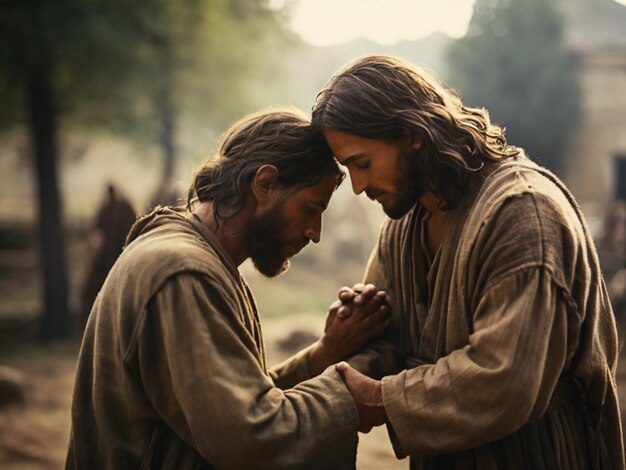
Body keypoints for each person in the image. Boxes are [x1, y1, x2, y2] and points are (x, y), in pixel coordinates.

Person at [311, 55, 625, 469]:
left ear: (412, 134)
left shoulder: (523, 215)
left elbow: (505, 380)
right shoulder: (407, 221)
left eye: (363, 163)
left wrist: (381, 398)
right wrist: (342, 350)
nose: (358, 186)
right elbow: (386, 338)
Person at [66, 108, 390, 469]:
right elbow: (252, 438)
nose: (315, 233)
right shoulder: (185, 274)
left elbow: (235, 401)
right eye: (310, 209)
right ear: (265, 184)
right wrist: (350, 399)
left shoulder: (197, 258)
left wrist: (325, 354)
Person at [81, 182, 136, 322]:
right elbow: (97, 230)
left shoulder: (125, 207)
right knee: (95, 287)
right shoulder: (105, 209)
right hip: (107, 255)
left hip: (122, 252)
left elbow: (133, 227)